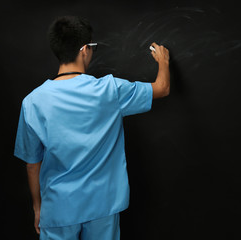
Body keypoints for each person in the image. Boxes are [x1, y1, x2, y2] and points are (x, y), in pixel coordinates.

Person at [14, 16, 170, 240]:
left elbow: (32, 164)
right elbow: (162, 88)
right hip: (103, 205)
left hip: (58, 207)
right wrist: (163, 62)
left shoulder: (33, 102)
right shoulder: (110, 90)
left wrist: (38, 207)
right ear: (85, 49)